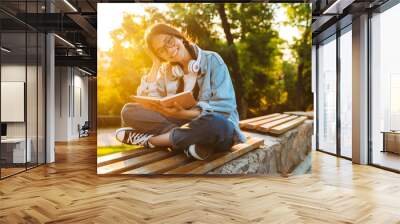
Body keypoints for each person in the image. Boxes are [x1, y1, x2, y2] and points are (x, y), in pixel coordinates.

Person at [115, 23, 246, 160]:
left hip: (216, 127)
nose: (169, 50)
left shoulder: (213, 60)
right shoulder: (166, 71)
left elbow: (225, 108)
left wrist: (185, 113)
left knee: (216, 123)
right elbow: (150, 102)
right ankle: (189, 143)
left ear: (179, 36)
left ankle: (153, 141)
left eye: (169, 41)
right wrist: (155, 64)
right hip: (182, 125)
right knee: (129, 111)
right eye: (161, 51)